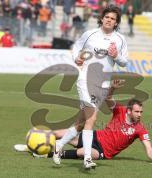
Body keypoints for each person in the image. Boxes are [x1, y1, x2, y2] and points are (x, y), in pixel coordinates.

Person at [14, 80, 152, 166]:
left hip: (103, 152)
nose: (139, 115)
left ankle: (43, 154)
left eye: (141, 112)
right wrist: (112, 88)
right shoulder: (120, 111)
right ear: (129, 111)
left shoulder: (140, 129)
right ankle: (30, 145)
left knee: (82, 153)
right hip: (94, 136)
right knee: (59, 133)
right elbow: (108, 98)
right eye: (137, 112)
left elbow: (148, 147)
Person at [53, 5, 128, 169]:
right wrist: (76, 58)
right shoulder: (90, 34)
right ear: (101, 19)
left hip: (102, 84)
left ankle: (59, 145)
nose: (109, 20)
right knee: (92, 118)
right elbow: (77, 47)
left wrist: (117, 56)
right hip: (85, 79)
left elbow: (124, 62)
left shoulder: (120, 39)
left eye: (113, 19)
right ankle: (87, 158)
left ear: (116, 23)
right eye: (107, 17)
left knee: (80, 123)